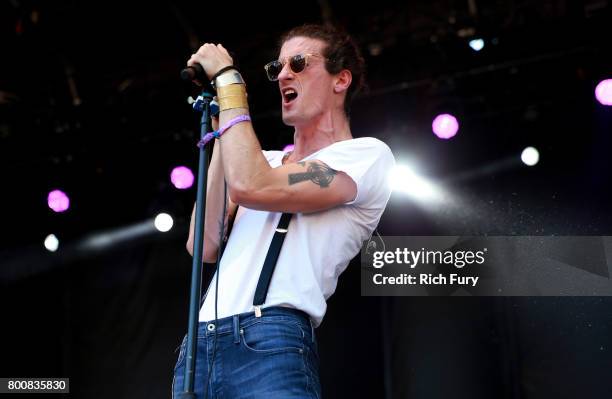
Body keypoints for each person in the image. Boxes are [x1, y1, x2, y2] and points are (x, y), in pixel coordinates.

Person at [173, 24, 395, 398]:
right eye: (277, 67)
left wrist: (230, 83)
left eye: (298, 63)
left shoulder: (366, 157)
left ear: (341, 79)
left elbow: (253, 186)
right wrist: (222, 140)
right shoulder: (267, 161)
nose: (284, 75)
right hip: (199, 344)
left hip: (268, 340)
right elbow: (204, 244)